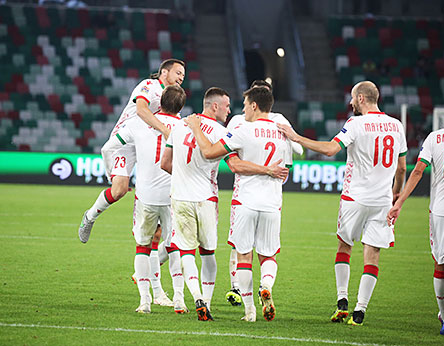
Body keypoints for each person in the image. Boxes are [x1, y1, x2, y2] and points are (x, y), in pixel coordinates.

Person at [278, 81, 407, 325]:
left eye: (352, 98)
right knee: (373, 255)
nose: (350, 103)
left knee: (344, 246)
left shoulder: (356, 124)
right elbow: (401, 167)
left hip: (355, 198)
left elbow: (329, 150)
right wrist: (395, 194)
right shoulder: (397, 125)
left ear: (360, 99)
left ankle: (342, 301)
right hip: (382, 201)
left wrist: (296, 137)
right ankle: (360, 311)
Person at [160, 87, 289, 321]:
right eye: (228, 106)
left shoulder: (179, 126)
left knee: (186, 251)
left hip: (179, 196)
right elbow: (234, 163)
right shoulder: (222, 131)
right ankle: (208, 302)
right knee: (208, 253)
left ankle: (197, 297)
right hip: (208, 198)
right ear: (215, 106)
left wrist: (182, 176)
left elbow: (165, 163)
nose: (231, 111)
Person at [78, 59, 185, 243]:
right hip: (127, 140)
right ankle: (90, 217)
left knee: (158, 184)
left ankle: (152, 244)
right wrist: (165, 130)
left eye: (183, 74)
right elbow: (142, 110)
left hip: (149, 142)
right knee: (118, 190)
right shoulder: (148, 86)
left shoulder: (172, 98)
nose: (181, 77)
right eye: (178, 72)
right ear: (164, 72)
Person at [387, 98, 444, 336]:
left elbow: (418, 170)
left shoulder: (435, 137)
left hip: (438, 209)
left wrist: (399, 202)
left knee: (440, 264)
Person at [107, 85, 187, 314]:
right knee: (174, 247)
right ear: (181, 107)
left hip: (146, 197)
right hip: (174, 197)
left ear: (159, 102)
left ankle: (145, 302)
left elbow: (110, 147)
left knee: (143, 246)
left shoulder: (136, 123)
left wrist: (111, 173)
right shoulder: (184, 128)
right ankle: (179, 300)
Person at [225, 79, 303, 307]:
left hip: (244, 197)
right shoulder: (282, 128)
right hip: (272, 202)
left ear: (254, 104)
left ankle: (245, 303)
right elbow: (289, 163)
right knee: (268, 254)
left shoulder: (241, 125)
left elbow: (227, 157)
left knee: (242, 251)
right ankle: (265, 286)